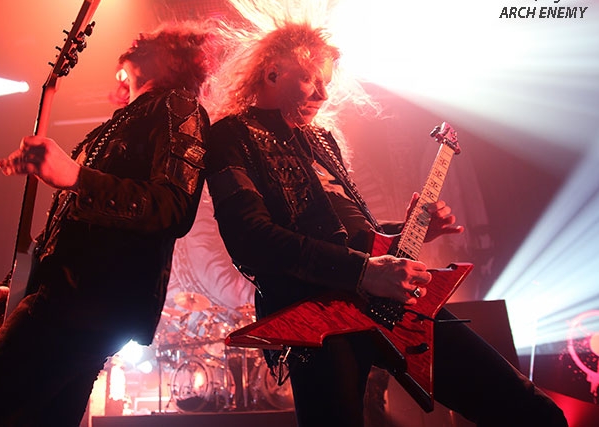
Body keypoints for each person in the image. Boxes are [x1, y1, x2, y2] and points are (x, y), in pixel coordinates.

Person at [205, 22, 568, 427]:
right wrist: (363, 271)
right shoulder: (229, 136)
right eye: (311, 80)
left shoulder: (320, 140)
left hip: (387, 302)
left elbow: (346, 230)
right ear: (273, 72)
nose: (324, 94)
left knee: (533, 411)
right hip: (317, 316)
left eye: (327, 83)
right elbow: (250, 239)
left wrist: (405, 231)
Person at [0, 21, 215, 426]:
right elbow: (72, 229)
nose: (139, 39)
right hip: (69, 303)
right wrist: (18, 285)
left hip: (81, 307)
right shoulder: (115, 124)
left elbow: (174, 207)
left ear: (176, 59)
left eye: (154, 40)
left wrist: (77, 176)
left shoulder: (177, 106)